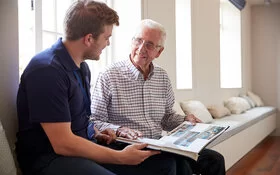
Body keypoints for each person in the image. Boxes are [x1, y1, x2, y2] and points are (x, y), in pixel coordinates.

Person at [16, 1, 177, 175]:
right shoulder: (47, 70)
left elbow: (82, 119)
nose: (108, 44)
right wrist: (120, 157)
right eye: (107, 37)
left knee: (164, 165)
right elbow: (63, 143)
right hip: (50, 158)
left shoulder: (81, 68)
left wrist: (96, 132)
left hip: (80, 148)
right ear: (89, 39)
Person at [91, 19, 226, 175]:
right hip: (125, 147)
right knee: (176, 166)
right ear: (131, 41)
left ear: (159, 52)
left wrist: (185, 121)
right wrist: (120, 130)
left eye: (149, 45)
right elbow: (94, 120)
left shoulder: (162, 77)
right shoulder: (108, 75)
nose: (141, 48)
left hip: (160, 144)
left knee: (215, 160)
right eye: (138, 40)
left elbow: (167, 117)